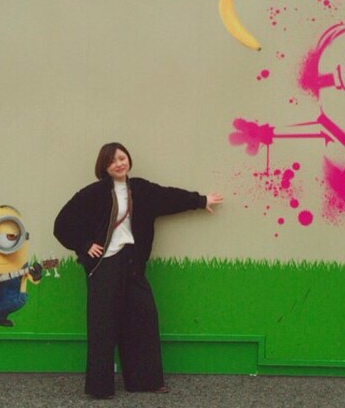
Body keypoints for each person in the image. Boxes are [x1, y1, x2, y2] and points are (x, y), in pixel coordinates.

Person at [53, 142, 223, 399]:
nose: (119, 163)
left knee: (143, 317)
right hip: (104, 265)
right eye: (112, 161)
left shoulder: (141, 189)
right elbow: (62, 224)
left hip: (132, 263)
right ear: (104, 167)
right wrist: (85, 245)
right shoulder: (93, 193)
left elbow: (169, 197)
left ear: (128, 159)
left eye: (122, 158)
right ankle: (100, 388)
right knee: (103, 325)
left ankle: (145, 381)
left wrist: (201, 200)